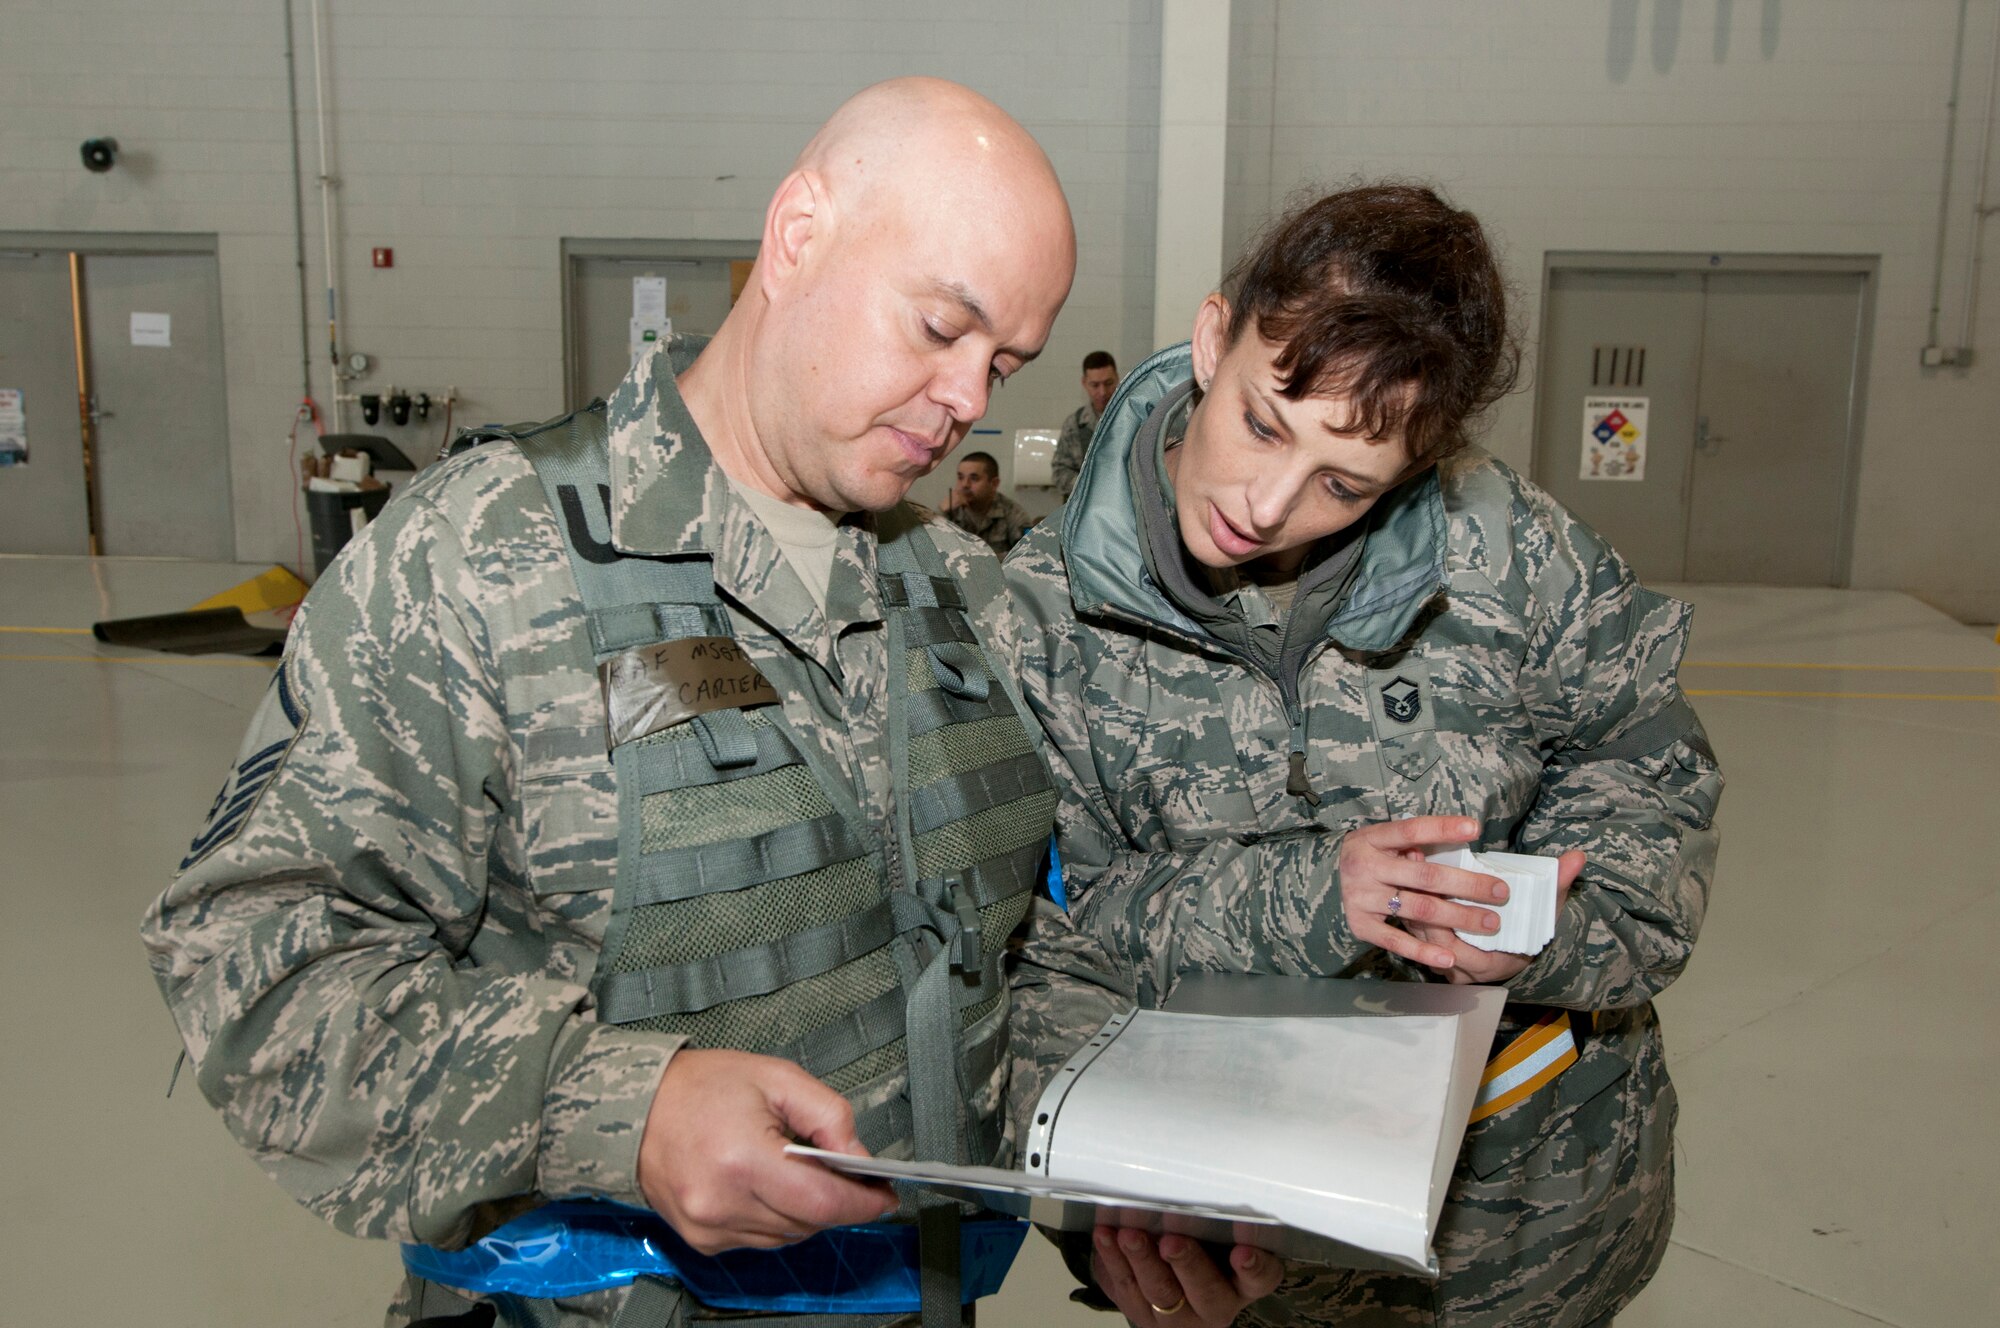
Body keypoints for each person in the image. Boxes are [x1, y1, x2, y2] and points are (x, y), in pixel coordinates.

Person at [140, 78, 1274, 1328]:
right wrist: (619, 1112)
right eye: (939, 328)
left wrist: (1118, 1173)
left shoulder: (959, 590)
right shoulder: (481, 559)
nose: (968, 400)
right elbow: (251, 964)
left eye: (1001, 361)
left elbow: (993, 947)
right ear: (795, 236)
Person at [1005, 183, 1723, 1327]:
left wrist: (1538, 932)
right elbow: (1044, 944)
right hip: (1247, 1253)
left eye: (1343, 484)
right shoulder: (1038, 622)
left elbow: (1649, 786)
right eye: (1259, 422)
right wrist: (1102, 1222)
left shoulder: (1511, 552)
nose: (1265, 502)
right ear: (1212, 336)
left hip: (1534, 1229)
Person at [1051, 350, 1118, 500]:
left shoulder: (1133, 418)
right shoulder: (1074, 424)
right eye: (1095, 385)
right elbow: (1059, 472)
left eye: (1108, 383)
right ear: (1084, 383)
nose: (1102, 392)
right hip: (1084, 507)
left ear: (1117, 379)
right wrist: (1089, 486)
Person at [943, 450, 1034, 556]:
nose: (964, 485)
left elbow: (1027, 555)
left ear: (994, 483)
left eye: (974, 478)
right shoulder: (950, 510)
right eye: (960, 477)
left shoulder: (1013, 512)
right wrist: (941, 513)